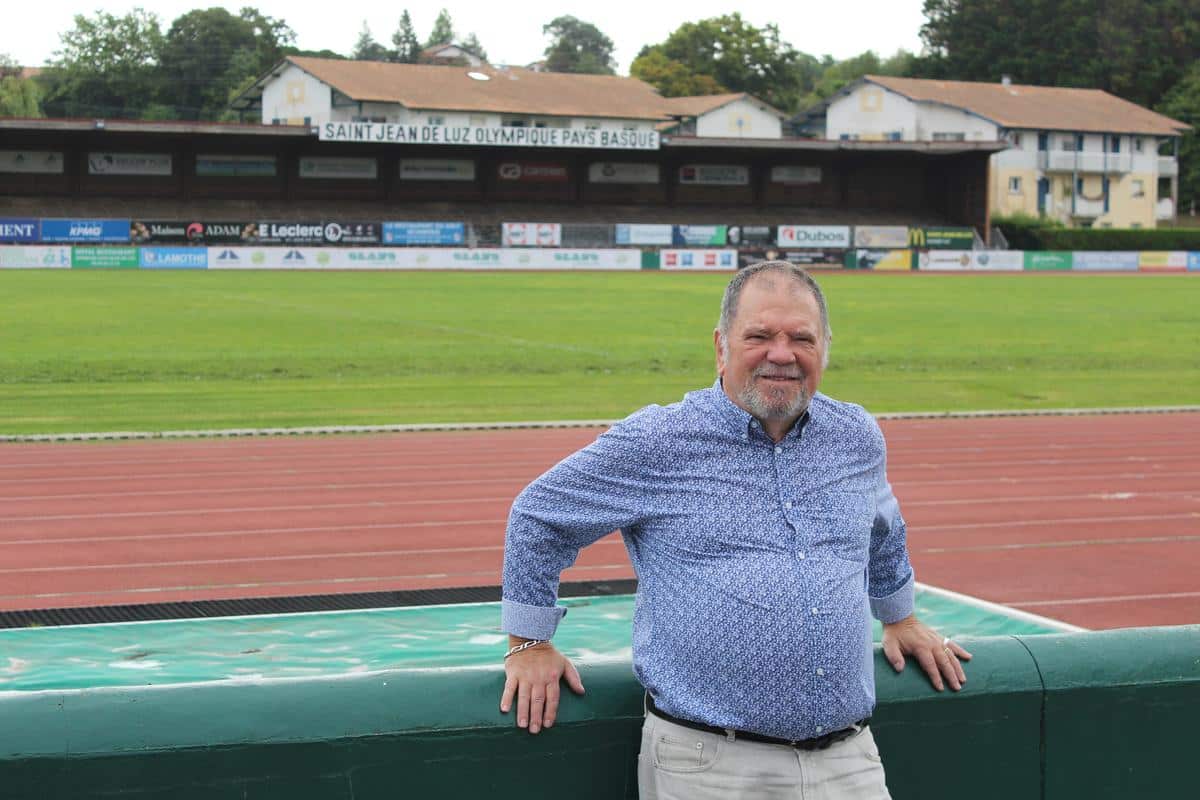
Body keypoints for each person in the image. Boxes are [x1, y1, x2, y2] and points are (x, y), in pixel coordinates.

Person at [499, 261, 971, 798]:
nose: (782, 354)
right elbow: (539, 516)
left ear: (826, 347)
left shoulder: (856, 436)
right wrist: (529, 643)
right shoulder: (659, 440)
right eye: (760, 336)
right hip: (709, 766)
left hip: (849, 761)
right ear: (721, 346)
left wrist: (899, 616)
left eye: (801, 338)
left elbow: (883, 527)